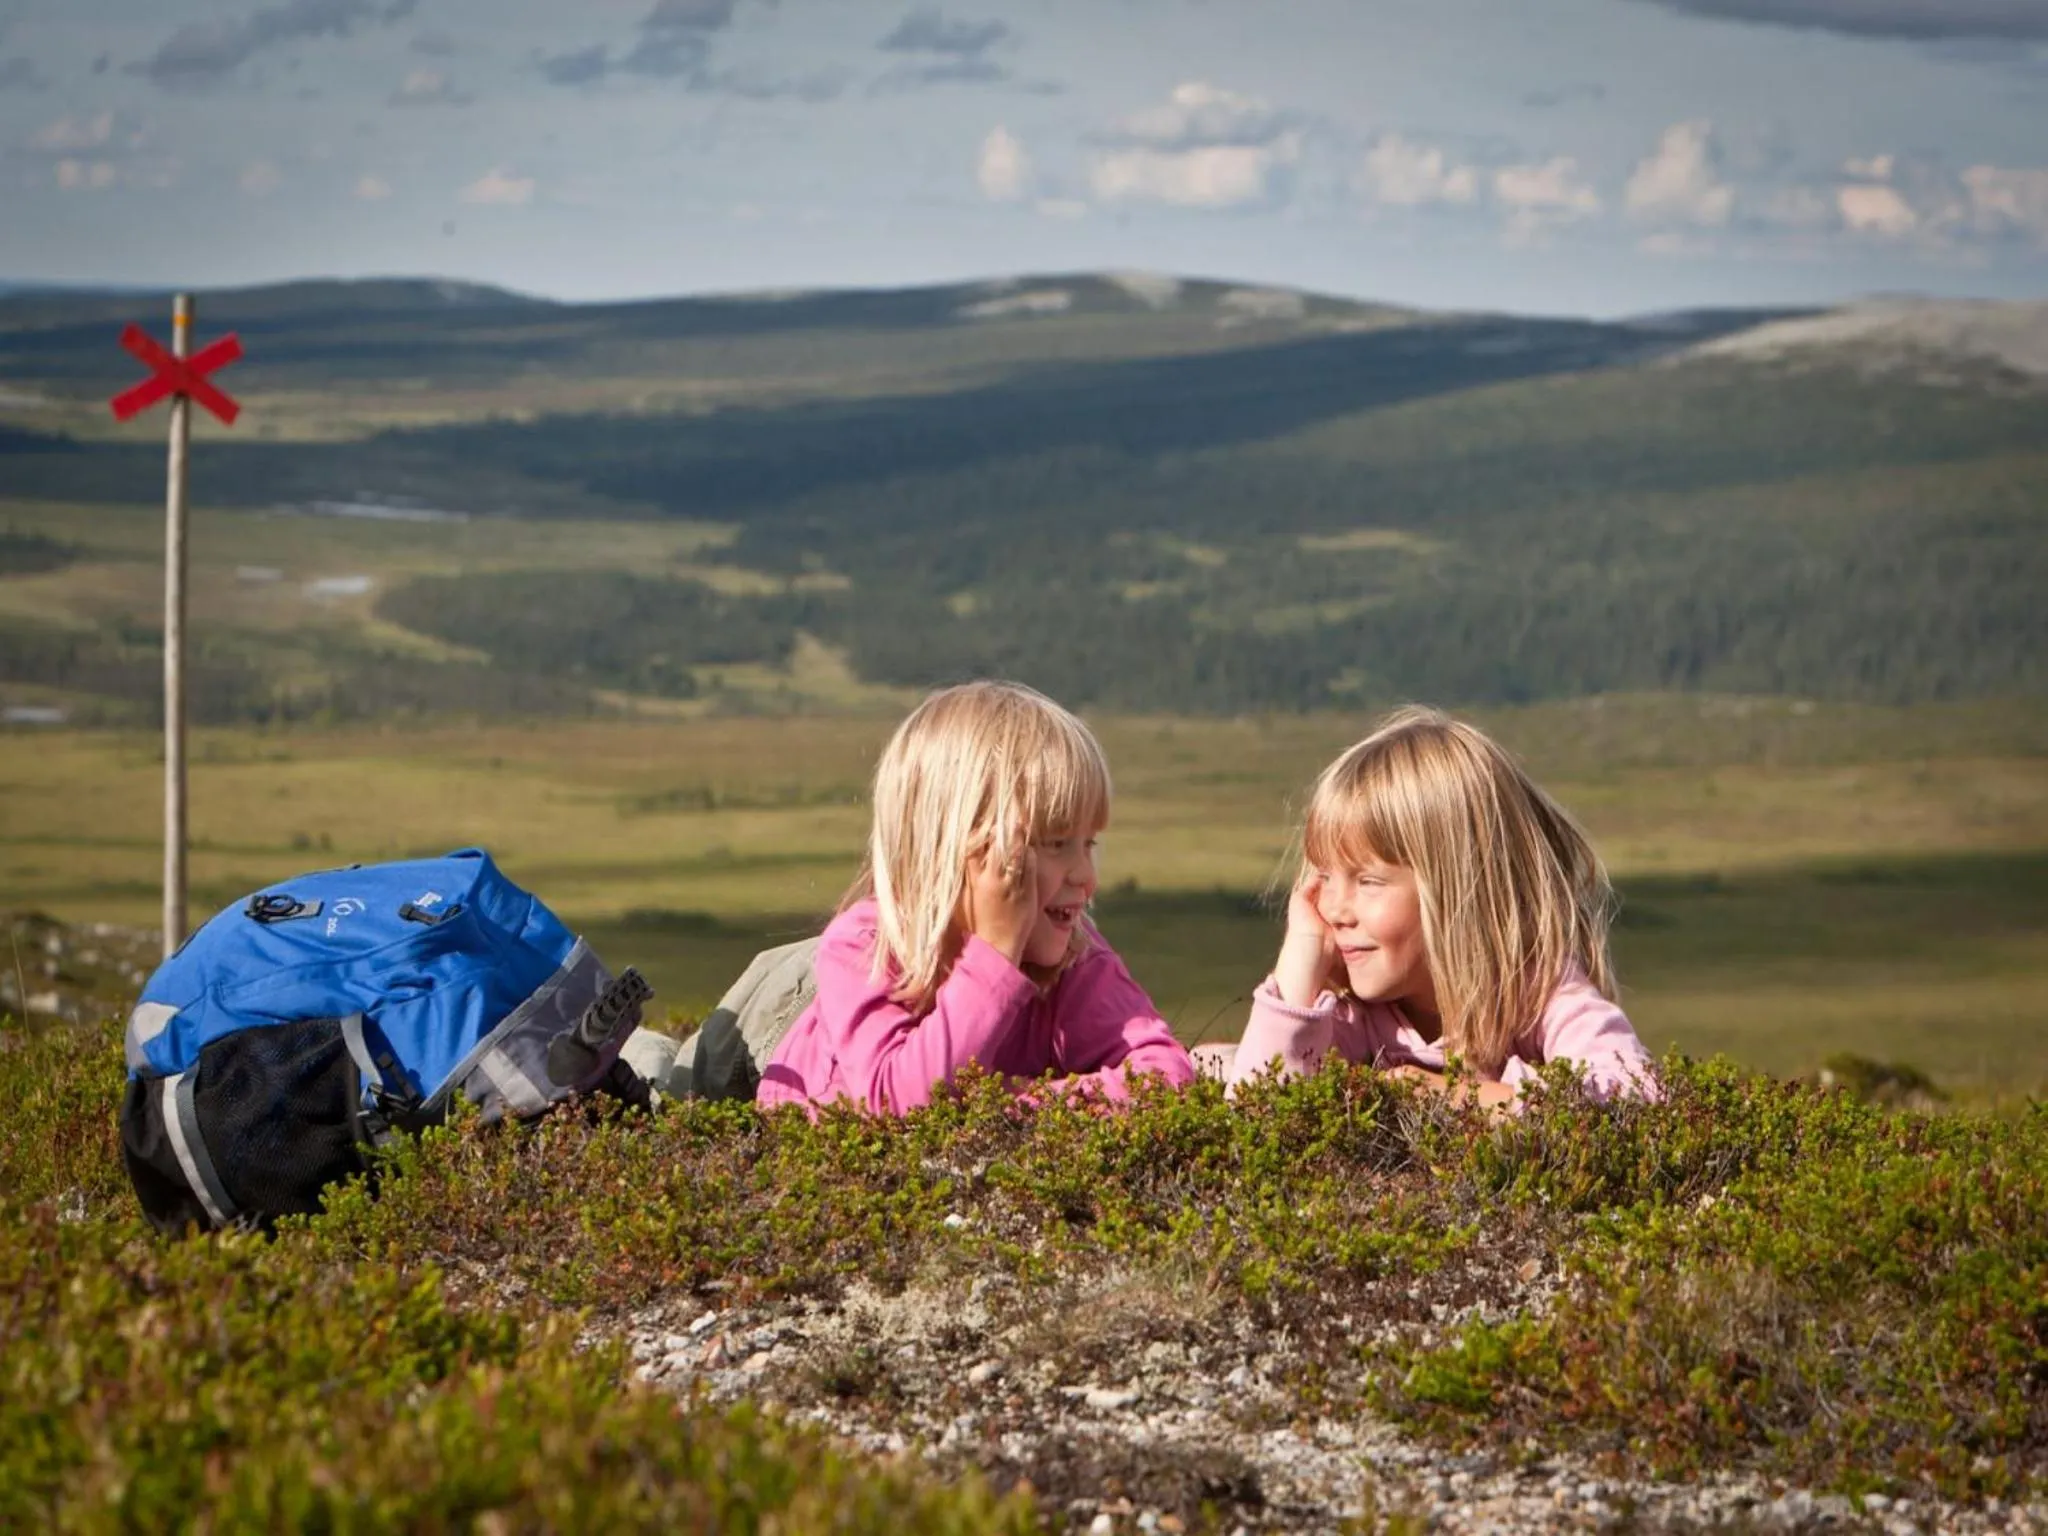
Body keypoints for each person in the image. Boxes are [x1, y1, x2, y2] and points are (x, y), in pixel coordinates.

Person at [757, 680, 1195, 1115]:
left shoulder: (1075, 957)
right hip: (780, 1025)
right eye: (1057, 843)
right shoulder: (862, 947)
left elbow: (1167, 1077)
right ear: (956, 848)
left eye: (1089, 845)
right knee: (702, 1062)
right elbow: (899, 1107)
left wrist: (1009, 1107)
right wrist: (996, 954)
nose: (1087, 877)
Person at [1212, 706, 1657, 1106]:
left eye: (1368, 881)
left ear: (1461, 890)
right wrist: (1299, 962)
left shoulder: (1541, 996)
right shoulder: (1353, 1017)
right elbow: (1258, 1114)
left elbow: (1631, 1100)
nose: (1337, 910)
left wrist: (1461, 1096)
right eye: (1324, 878)